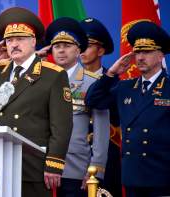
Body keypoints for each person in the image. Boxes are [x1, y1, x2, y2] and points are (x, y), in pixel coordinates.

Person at [0, 7, 73, 197]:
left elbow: (61, 125)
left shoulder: (52, 75)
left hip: (31, 166)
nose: (14, 45)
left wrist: (54, 163)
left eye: (20, 39)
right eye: (9, 40)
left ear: (33, 41)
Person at [85, 21, 170, 197]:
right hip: (132, 177)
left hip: (162, 177)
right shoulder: (126, 87)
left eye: (146, 52)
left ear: (161, 55)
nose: (140, 57)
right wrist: (110, 74)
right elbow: (93, 100)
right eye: (137, 52)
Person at [44, 17, 110, 196]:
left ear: (78, 50)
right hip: (42, 168)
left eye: (67, 45)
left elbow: (101, 132)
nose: (61, 50)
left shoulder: (93, 83)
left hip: (76, 170)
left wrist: (95, 170)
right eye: (57, 46)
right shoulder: (41, 81)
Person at [80, 17, 122, 197]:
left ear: (101, 50)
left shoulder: (114, 83)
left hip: (106, 158)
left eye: (87, 45)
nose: (82, 50)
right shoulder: (66, 80)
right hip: (75, 157)